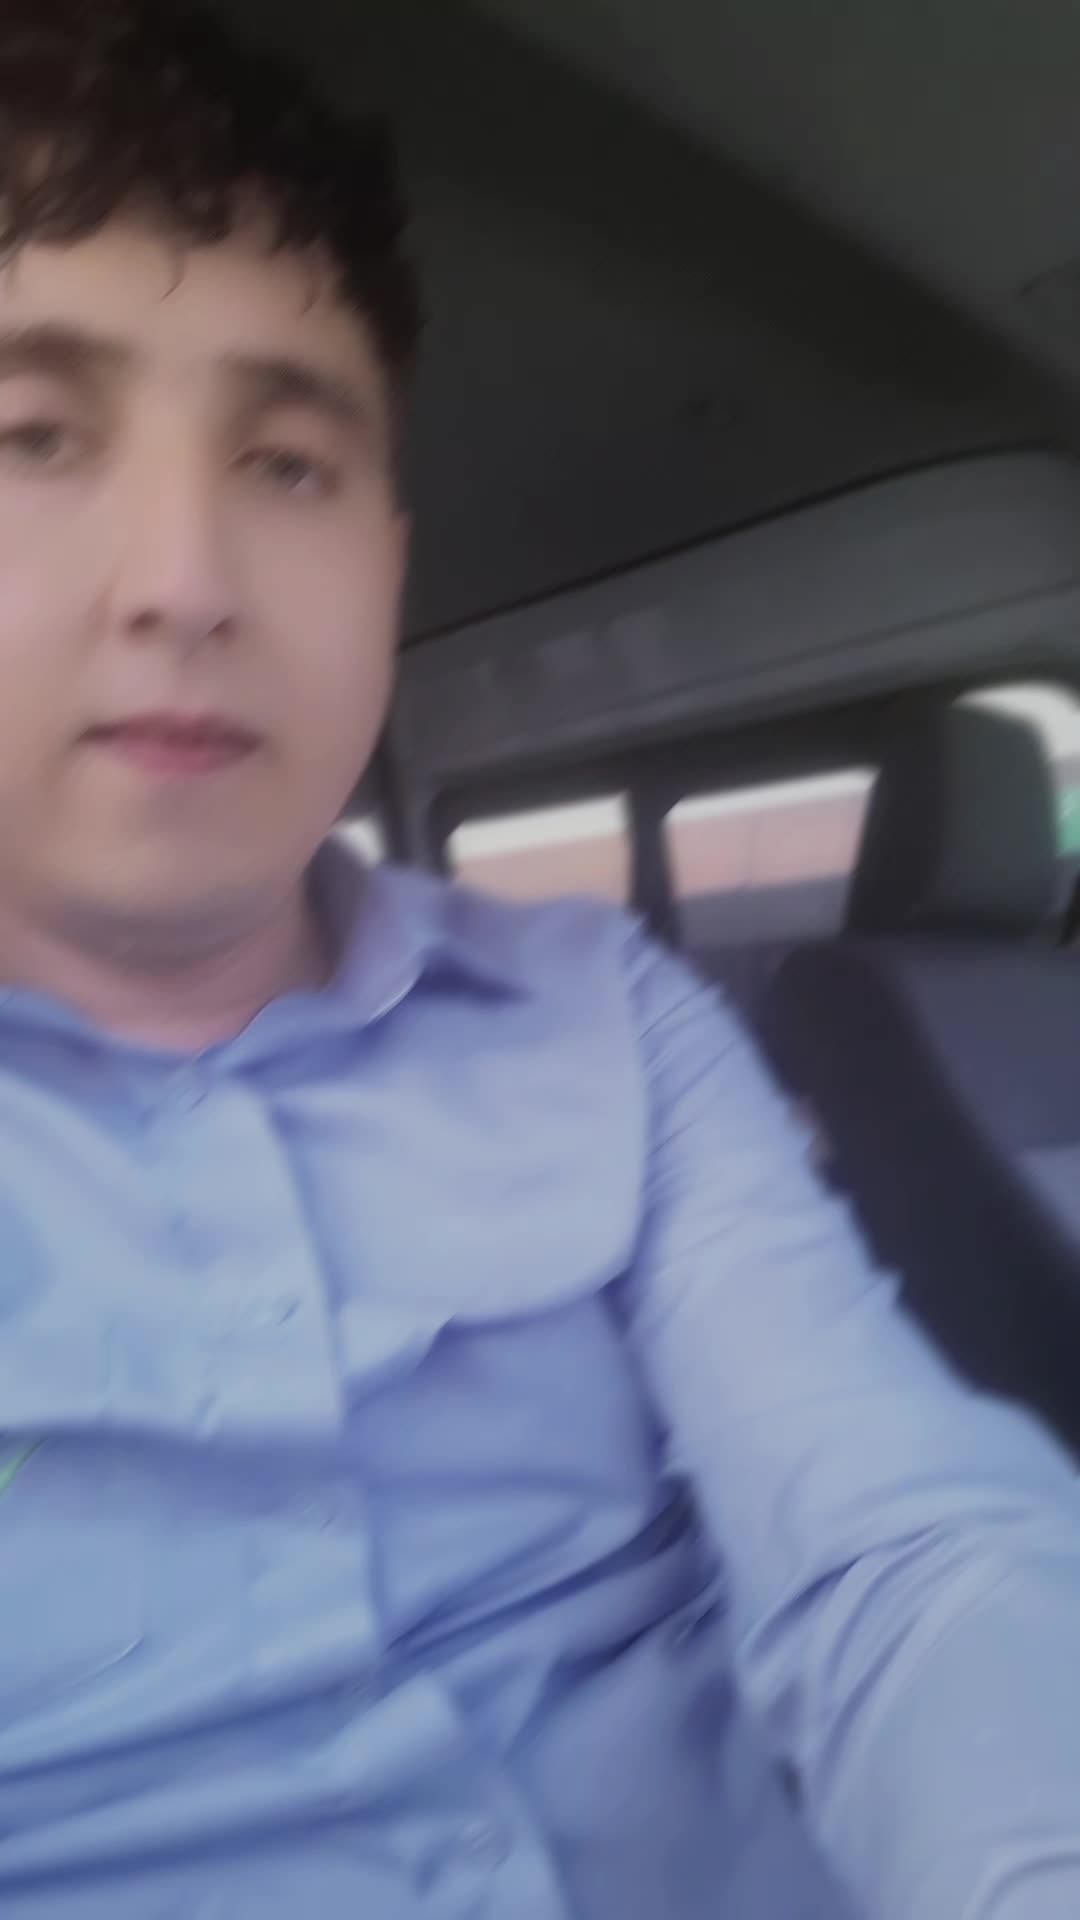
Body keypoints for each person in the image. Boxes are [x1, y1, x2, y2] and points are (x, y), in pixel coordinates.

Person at [0, 5, 1078, 1917]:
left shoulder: (616, 1016)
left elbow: (898, 1533)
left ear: (388, 558)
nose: (183, 579)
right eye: (33, 434)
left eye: (290, 463)